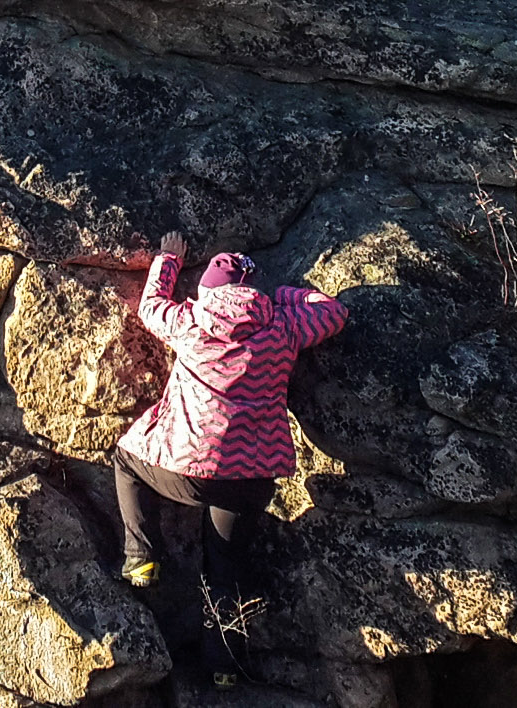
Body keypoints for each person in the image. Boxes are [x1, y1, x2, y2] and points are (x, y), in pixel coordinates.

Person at [112, 231, 349, 686]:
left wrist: (168, 259)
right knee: (225, 567)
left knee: (126, 460)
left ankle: (140, 556)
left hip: (189, 471)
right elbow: (334, 312)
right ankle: (225, 668)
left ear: (208, 290)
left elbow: (151, 306)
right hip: (251, 480)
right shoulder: (283, 326)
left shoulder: (191, 321)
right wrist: (288, 294)